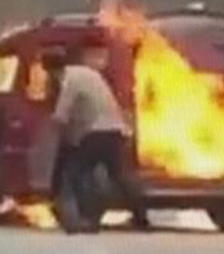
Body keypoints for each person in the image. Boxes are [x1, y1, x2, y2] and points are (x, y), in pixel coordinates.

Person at [45, 47, 149, 232]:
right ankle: (141, 216)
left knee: (78, 172)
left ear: (51, 70)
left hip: (96, 132)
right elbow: (86, 107)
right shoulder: (87, 72)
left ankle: (88, 218)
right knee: (118, 176)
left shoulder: (69, 81)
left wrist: (57, 136)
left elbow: (61, 115)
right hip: (115, 130)